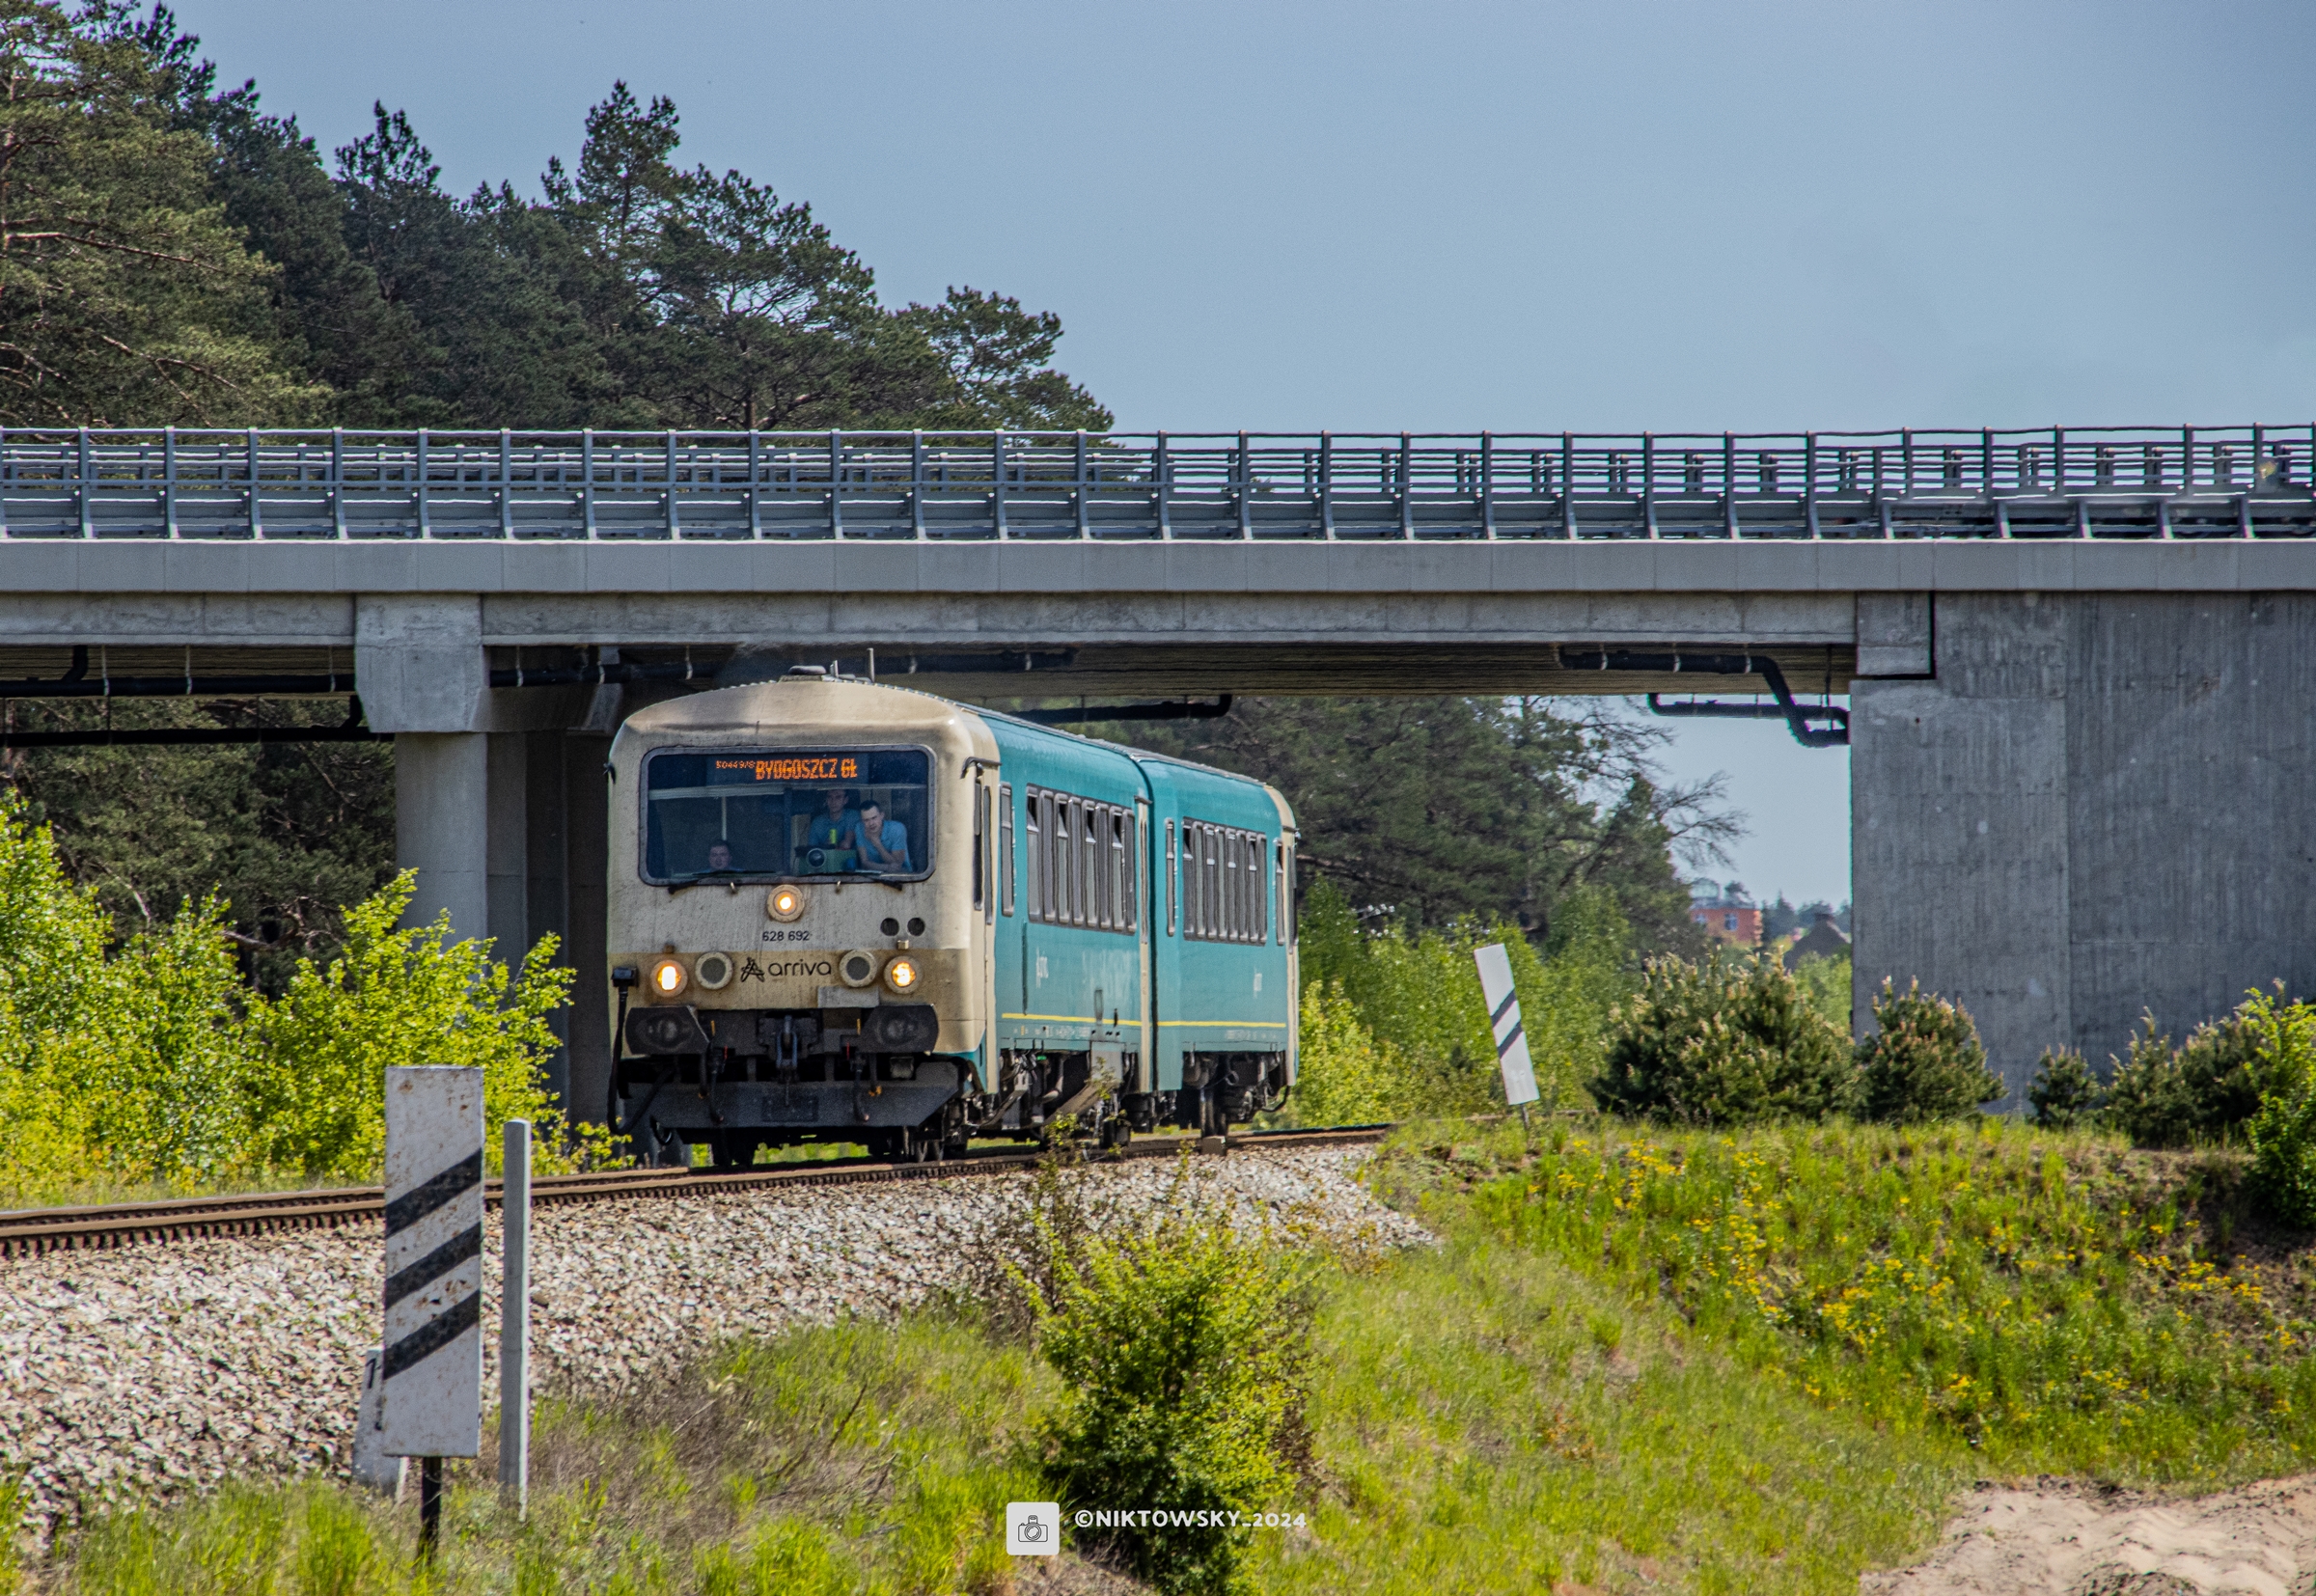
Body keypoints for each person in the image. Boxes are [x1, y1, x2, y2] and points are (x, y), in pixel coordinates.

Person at [855, 800, 911, 872]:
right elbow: (864, 863)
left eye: (874, 818)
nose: (871, 823)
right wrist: (886, 868)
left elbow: (897, 866)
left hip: (901, 878)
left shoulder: (897, 829)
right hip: (871, 877)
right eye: (866, 820)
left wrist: (877, 844)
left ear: (882, 815)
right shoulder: (859, 828)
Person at [805, 788, 862, 853]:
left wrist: (837, 844)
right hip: (824, 861)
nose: (833, 801)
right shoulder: (817, 823)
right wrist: (826, 847)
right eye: (829, 797)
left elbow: (847, 844)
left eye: (838, 797)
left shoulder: (853, 816)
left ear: (846, 800)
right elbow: (811, 851)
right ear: (826, 799)